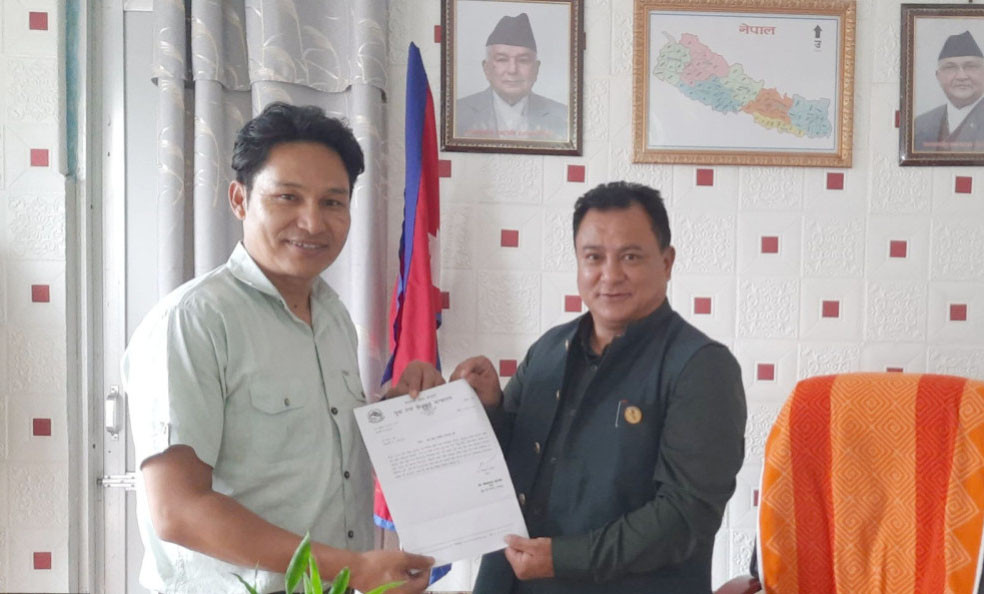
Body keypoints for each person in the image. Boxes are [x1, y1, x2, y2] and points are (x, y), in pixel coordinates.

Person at [121, 102, 436, 594]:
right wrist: (350, 566)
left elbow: (319, 454)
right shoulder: (192, 321)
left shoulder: (332, 317)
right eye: (288, 197)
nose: (312, 223)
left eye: (332, 202)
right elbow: (177, 510)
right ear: (240, 199)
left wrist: (408, 407)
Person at [451, 182, 747, 593]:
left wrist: (562, 558)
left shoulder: (701, 367)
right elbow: (507, 466)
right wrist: (489, 408)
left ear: (666, 262)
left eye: (630, 256)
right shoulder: (549, 350)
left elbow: (685, 517)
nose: (610, 275)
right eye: (593, 257)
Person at [455, 12, 568, 141]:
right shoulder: (457, 113)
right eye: (502, 59)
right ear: (486, 68)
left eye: (523, 60)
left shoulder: (563, 116)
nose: (512, 70)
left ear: (536, 69)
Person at [914, 30, 984, 152]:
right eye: (950, 67)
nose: (961, 76)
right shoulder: (919, 124)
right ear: (938, 76)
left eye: (971, 66)